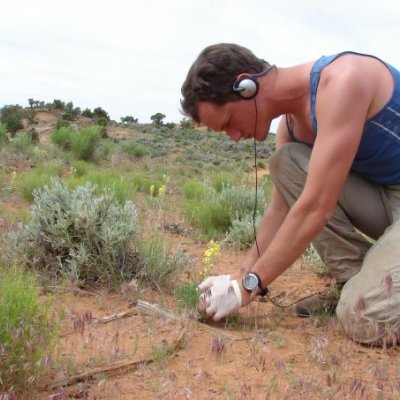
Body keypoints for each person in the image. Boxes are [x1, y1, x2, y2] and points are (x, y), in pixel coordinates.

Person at [180, 43, 400, 346]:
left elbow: (314, 208)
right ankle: (353, 282)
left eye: (228, 123)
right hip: (388, 199)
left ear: (246, 87)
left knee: (363, 316)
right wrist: (238, 277)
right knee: (285, 163)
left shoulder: (343, 81)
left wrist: (248, 288)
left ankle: (365, 294)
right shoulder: (290, 128)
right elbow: (281, 211)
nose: (233, 137)